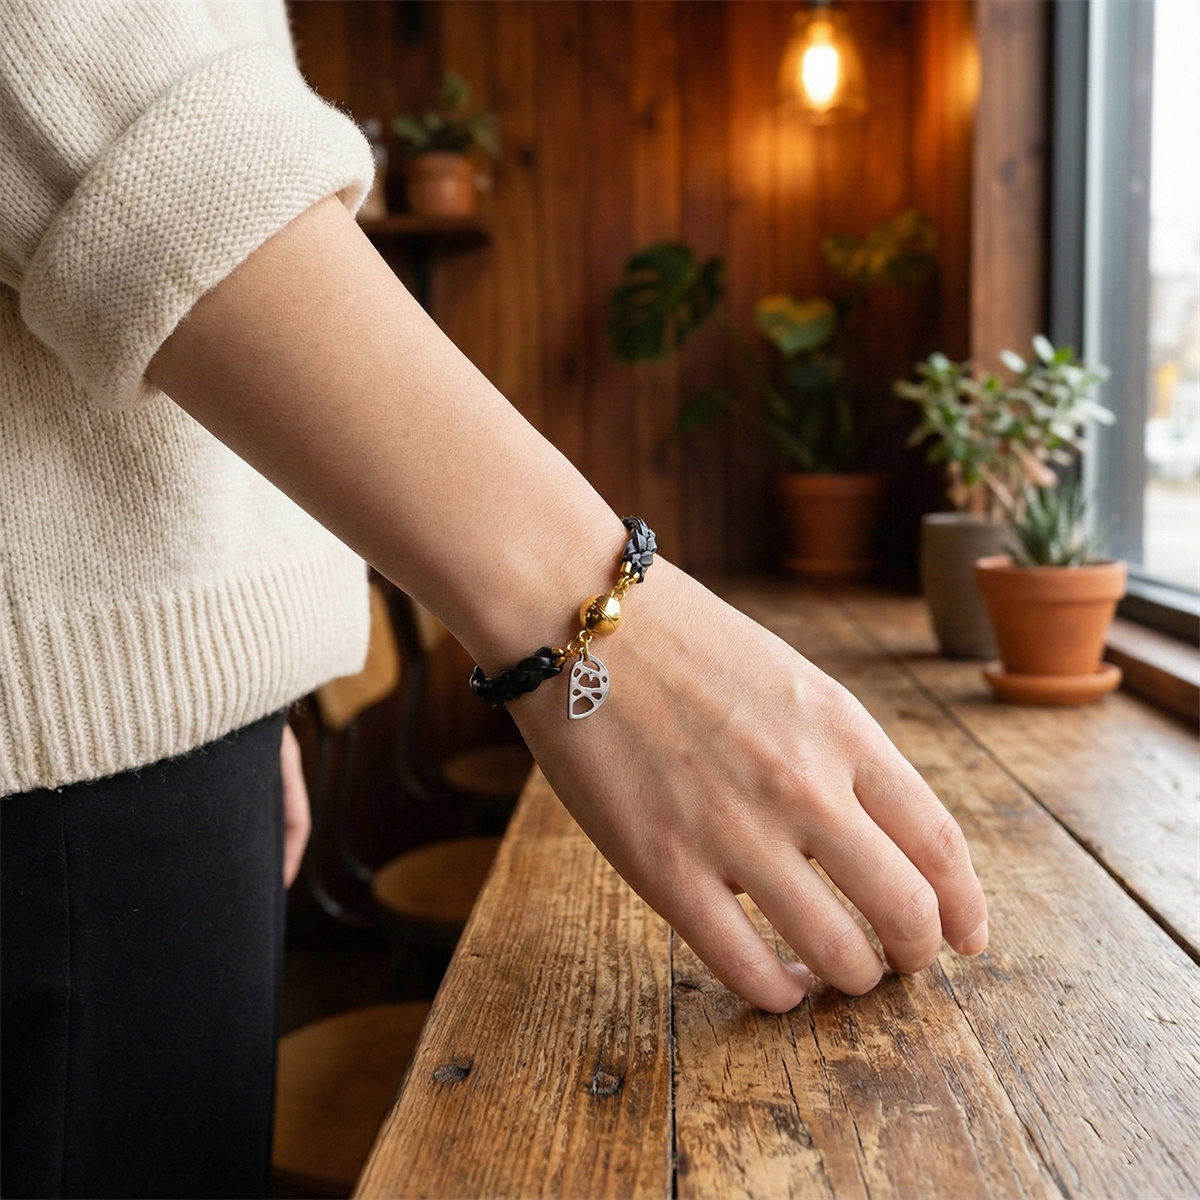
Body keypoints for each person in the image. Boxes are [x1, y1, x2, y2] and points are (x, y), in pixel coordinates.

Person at [0, 2, 988, 1196]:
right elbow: (92, 76)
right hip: (58, 780)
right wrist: (595, 603)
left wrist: (229, 676)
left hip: (140, 723)